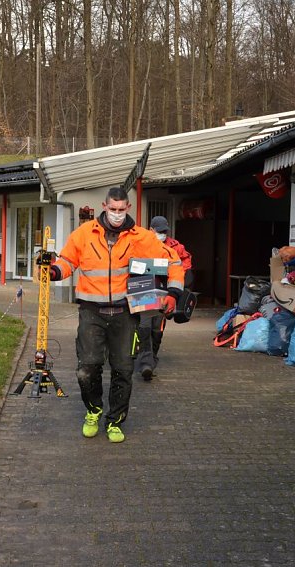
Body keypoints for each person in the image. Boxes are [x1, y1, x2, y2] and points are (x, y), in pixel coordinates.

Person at [48, 187, 185, 443]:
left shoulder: (142, 238)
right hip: (91, 312)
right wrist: (54, 272)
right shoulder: (84, 234)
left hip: (125, 313)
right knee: (87, 368)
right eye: (113, 209)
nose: (117, 214)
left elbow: (174, 263)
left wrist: (174, 293)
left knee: (123, 369)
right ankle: (93, 410)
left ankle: (115, 422)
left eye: (122, 210)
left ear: (129, 208)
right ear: (104, 206)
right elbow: (67, 261)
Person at [134, 216, 193, 382]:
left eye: (164, 231)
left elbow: (184, 262)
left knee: (157, 330)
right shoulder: (141, 242)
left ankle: (151, 358)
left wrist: (180, 277)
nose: (162, 234)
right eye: (159, 231)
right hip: (144, 287)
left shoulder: (175, 246)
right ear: (151, 229)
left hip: (165, 290)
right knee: (144, 326)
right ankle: (146, 363)